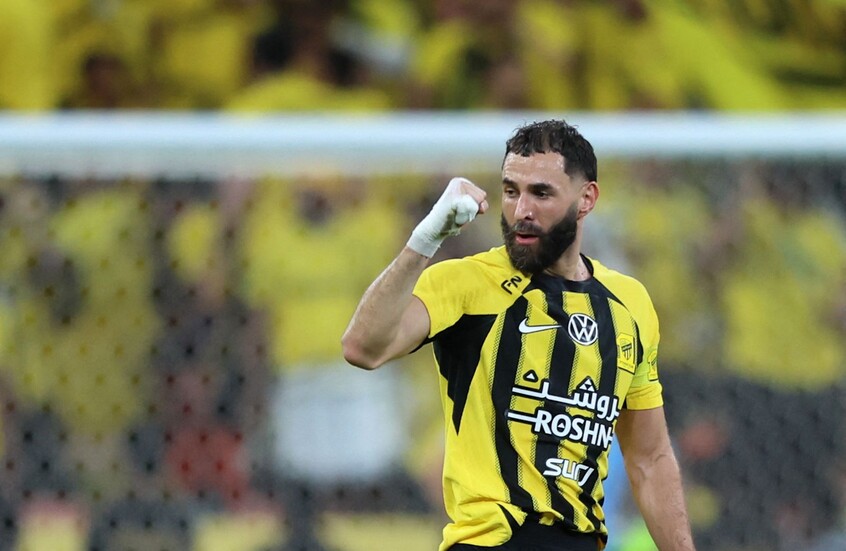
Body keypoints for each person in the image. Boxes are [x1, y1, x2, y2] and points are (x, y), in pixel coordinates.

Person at [342, 119, 696, 551]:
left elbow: (649, 458)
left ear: (586, 199)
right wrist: (424, 239)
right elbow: (362, 347)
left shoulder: (629, 303)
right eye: (511, 191)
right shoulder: (469, 283)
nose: (522, 210)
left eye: (541, 193)